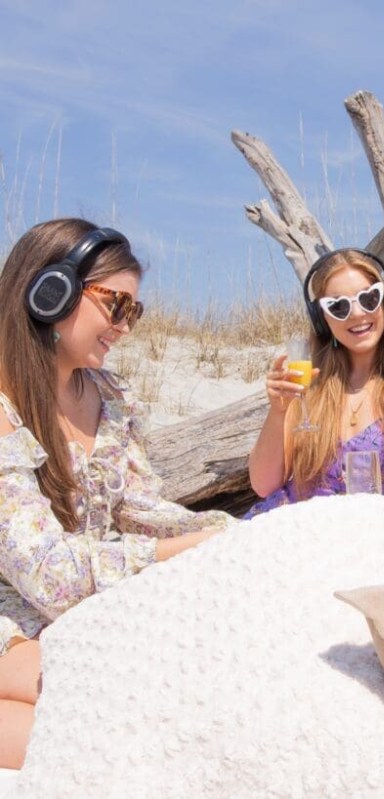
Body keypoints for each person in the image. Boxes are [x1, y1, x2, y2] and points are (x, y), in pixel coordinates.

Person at [0, 218, 235, 768]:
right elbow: (46, 573)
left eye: (135, 311)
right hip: (18, 611)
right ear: (49, 291)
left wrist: (223, 532)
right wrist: (170, 554)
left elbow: (138, 507)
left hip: (73, 608)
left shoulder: (109, 394)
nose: (126, 326)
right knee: (89, 723)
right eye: (117, 305)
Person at [246, 248, 384, 517]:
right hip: (289, 526)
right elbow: (264, 484)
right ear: (322, 319)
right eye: (338, 307)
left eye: (369, 298)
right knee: (203, 544)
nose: (357, 313)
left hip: (358, 536)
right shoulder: (311, 384)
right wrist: (278, 412)